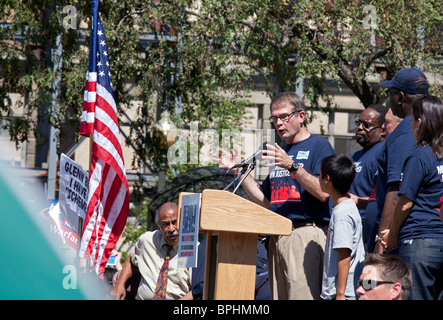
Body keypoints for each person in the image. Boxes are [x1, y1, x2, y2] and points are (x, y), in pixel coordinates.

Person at [214, 91, 334, 300]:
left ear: (301, 116)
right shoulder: (282, 152)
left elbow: (324, 192)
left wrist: (293, 166)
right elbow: (267, 203)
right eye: (274, 118)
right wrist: (240, 172)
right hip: (276, 237)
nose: (278, 123)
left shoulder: (319, 146)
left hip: (305, 235)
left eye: (284, 116)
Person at [381, 95, 443, 300]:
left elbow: (405, 203)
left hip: (419, 242)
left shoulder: (420, 156)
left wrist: (392, 233)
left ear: (419, 121)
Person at [372, 67, 429, 254]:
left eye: (391, 93)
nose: (389, 99)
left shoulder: (405, 132)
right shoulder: (432, 126)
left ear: (400, 97)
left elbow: (396, 189)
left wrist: (382, 241)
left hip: (404, 235)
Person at [112, 202, 192, 300]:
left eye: (175, 222)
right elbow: (132, 259)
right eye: (166, 224)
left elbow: (198, 289)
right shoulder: (147, 241)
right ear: (159, 226)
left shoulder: (192, 248)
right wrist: (120, 284)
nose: (171, 229)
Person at [319, 154, 365, 300]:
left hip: (343, 293)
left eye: (320, 174)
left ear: (327, 179)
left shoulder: (342, 214)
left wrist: (340, 294)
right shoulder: (345, 206)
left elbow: (344, 253)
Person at [348, 105, 387, 248]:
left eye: (366, 125)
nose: (360, 128)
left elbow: (382, 198)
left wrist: (356, 200)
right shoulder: (354, 156)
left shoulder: (382, 154)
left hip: (367, 230)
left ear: (383, 130)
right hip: (348, 225)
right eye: (359, 123)